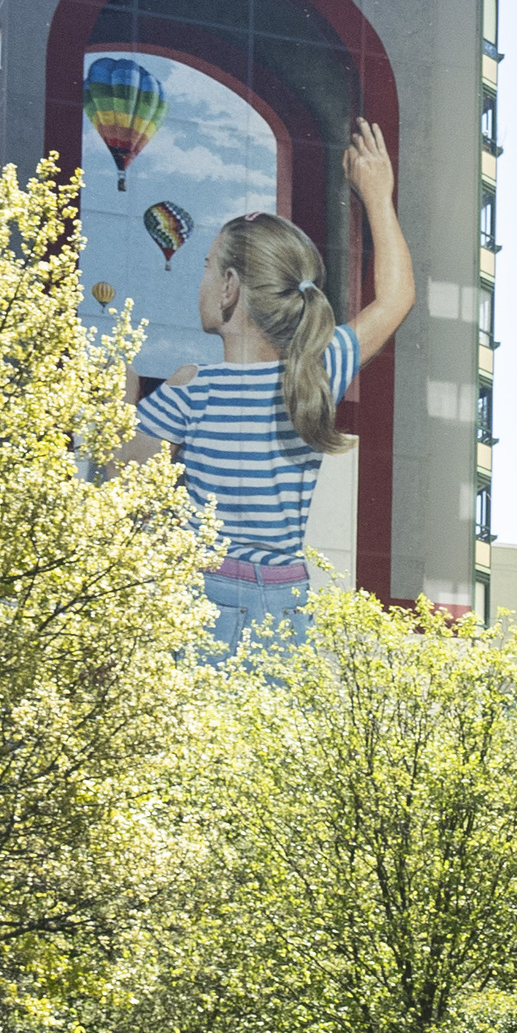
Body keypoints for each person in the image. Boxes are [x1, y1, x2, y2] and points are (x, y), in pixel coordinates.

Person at [120, 119, 413, 650]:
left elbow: (122, 473)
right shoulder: (316, 373)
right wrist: (376, 193)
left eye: (208, 266)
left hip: (198, 597)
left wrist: (122, 398)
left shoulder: (193, 389)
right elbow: (395, 300)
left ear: (230, 287)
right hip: (285, 604)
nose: (202, 278)